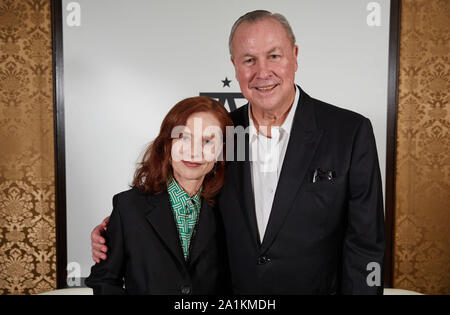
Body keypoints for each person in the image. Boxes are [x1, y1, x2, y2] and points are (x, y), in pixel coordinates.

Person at [91, 10, 385, 295]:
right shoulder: (224, 131)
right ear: (235, 65)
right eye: (249, 60)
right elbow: (186, 195)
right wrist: (117, 232)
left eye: (274, 55)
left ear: (295, 55)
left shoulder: (349, 132)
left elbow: (365, 243)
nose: (262, 72)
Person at [85, 96, 233, 294]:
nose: (194, 151)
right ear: (167, 144)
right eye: (184, 138)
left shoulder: (231, 209)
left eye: (207, 141)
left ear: (222, 151)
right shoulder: (128, 206)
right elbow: (104, 280)